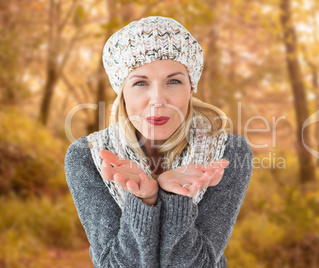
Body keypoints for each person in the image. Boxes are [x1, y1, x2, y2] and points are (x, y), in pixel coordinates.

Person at [64, 16, 253, 268]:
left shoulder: (228, 153)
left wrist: (176, 198)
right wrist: (144, 201)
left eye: (173, 81)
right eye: (140, 83)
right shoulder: (87, 156)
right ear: (122, 91)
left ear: (191, 88)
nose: (158, 99)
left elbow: (201, 264)